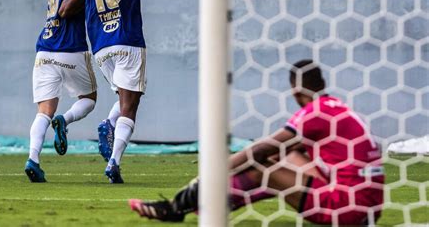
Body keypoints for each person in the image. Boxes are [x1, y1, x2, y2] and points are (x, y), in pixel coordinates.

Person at [129, 60, 385, 225]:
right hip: (370, 206)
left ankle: (182, 206)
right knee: (283, 157)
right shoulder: (335, 107)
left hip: (345, 207)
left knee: (263, 166)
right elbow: (284, 150)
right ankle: (203, 204)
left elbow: (261, 150)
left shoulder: (314, 113)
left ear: (296, 92)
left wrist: (214, 171)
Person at [59, 0, 180, 184]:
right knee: (130, 105)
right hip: (128, 41)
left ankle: (108, 124)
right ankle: (114, 161)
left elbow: (66, 8)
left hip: (101, 48)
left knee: (124, 95)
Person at [25, 0, 127, 183]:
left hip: (44, 48)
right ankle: (66, 119)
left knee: (43, 112)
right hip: (70, 48)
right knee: (89, 100)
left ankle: (33, 160)